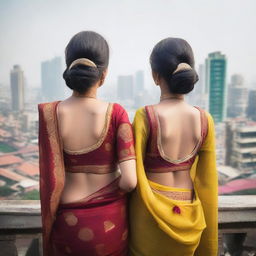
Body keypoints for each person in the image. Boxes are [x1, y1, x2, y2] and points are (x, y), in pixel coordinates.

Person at [38, 31, 137, 256]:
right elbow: (130, 181)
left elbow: (49, 176)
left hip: (67, 223)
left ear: (69, 70)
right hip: (109, 224)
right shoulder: (116, 114)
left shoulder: (50, 114)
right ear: (103, 75)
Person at [129, 38, 218, 256]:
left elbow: (132, 174)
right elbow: (207, 183)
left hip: (149, 219)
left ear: (155, 76)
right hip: (190, 216)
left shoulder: (145, 116)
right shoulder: (205, 119)